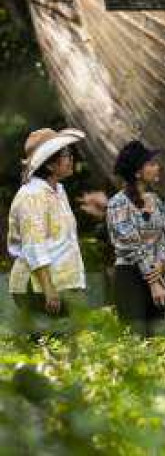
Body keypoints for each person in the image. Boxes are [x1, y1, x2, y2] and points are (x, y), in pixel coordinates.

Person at [7, 127, 87, 330]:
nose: (71, 159)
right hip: (38, 287)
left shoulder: (58, 190)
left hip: (61, 283)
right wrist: (48, 289)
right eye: (66, 155)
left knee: (67, 352)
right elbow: (34, 245)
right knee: (51, 348)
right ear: (50, 164)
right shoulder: (32, 195)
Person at [106, 139, 165, 336]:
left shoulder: (156, 200)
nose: (157, 167)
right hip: (131, 275)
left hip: (157, 273)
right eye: (150, 164)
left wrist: (161, 265)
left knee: (159, 339)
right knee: (136, 337)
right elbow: (130, 244)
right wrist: (153, 281)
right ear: (137, 172)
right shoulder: (118, 203)